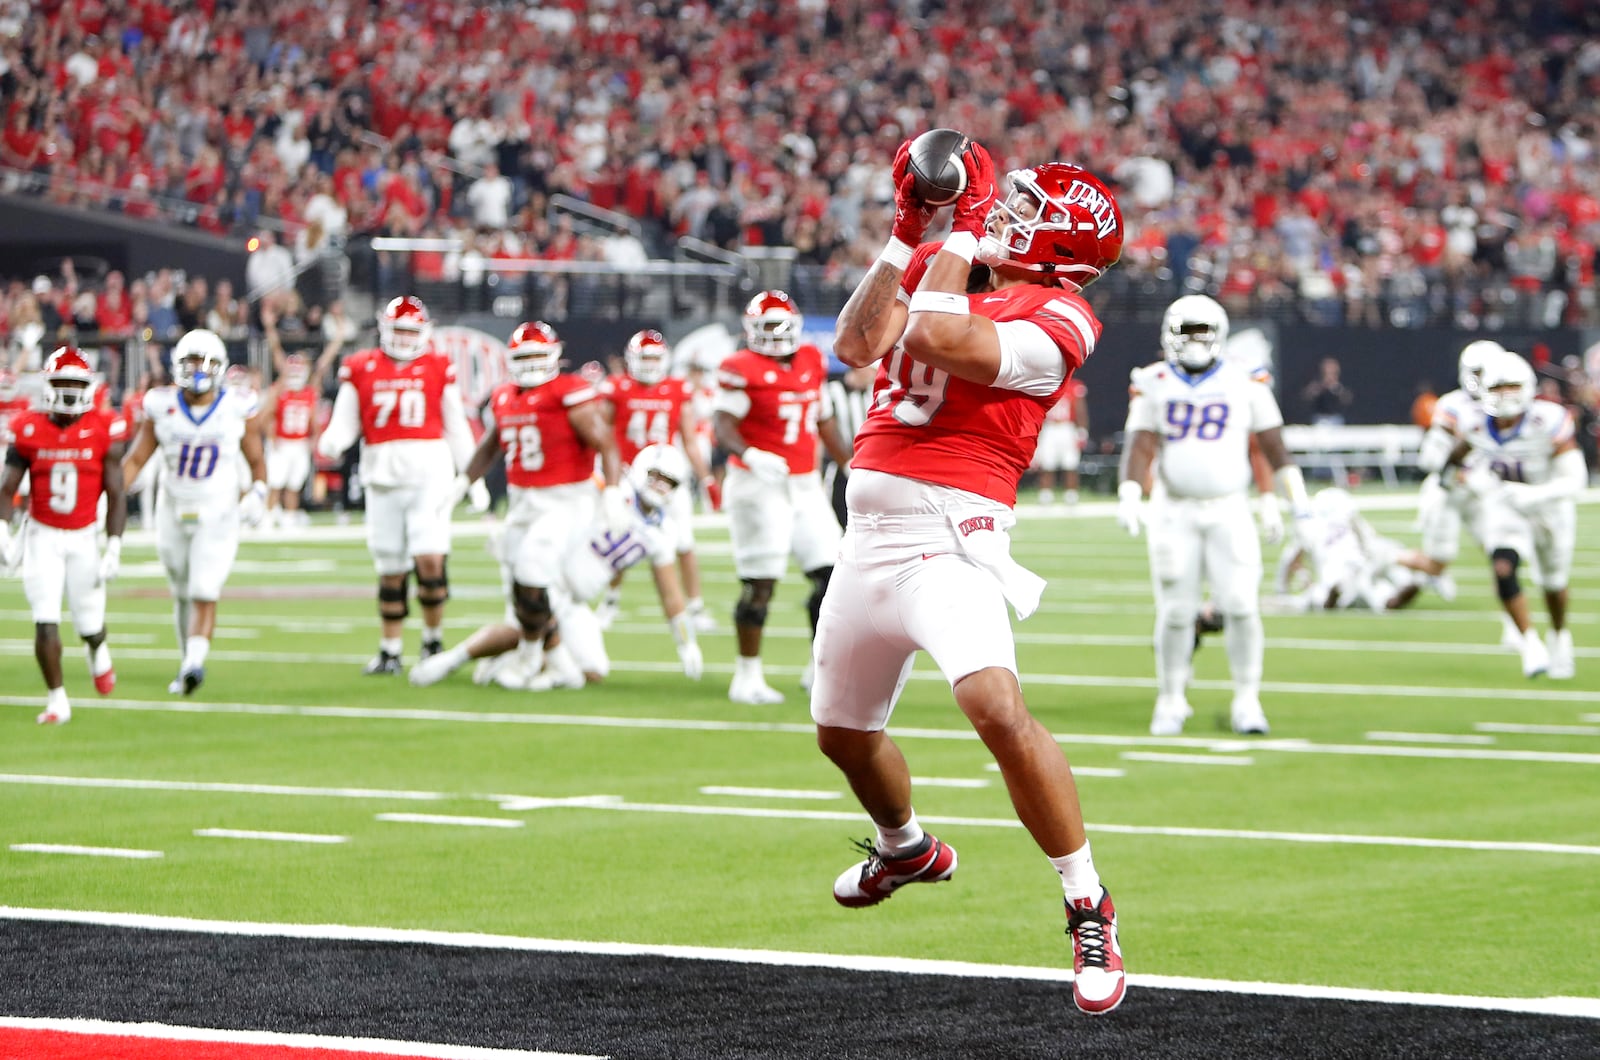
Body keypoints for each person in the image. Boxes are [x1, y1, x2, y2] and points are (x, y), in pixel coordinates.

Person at [818, 139, 1125, 1015]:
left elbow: (938, 332)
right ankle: (905, 847)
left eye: (1030, 215)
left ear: (1060, 250)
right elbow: (855, 343)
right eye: (1010, 205)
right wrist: (905, 231)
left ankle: (1085, 900)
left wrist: (963, 236)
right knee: (842, 738)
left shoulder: (1063, 318)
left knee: (991, 703)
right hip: (867, 538)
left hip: (952, 537)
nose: (1009, 217)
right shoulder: (945, 258)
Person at [1116, 294, 1311, 737]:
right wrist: (1129, 493)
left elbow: (1273, 444)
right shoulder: (1155, 380)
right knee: (1176, 611)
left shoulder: (1246, 380)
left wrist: (1289, 498)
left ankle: (1247, 697)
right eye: (1187, 332)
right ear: (1169, 334)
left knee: (1242, 606)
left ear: (1220, 335)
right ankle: (1170, 697)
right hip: (1173, 508)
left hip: (1229, 506)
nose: (1194, 342)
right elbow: (1141, 442)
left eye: (1202, 332)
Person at [411, 444, 704, 689]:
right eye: (655, 476)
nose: (660, 486)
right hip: (550, 575)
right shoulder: (609, 489)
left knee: (593, 671)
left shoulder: (663, 532)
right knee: (527, 629)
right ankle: (452, 660)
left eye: (669, 481)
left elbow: (670, 595)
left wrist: (686, 643)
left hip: (575, 600)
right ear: (640, 470)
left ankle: (513, 662)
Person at [443, 321, 627, 689]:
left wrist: (612, 491)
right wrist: (463, 480)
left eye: (536, 355)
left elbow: (605, 443)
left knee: (532, 570)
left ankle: (530, 657)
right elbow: (492, 444)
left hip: (566, 500)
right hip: (522, 501)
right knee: (517, 584)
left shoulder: (568, 392)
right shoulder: (505, 396)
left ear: (554, 356)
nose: (529, 364)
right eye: (523, 356)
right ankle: (544, 658)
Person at [315, 295, 478, 674]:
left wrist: (471, 474)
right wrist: (333, 440)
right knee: (390, 565)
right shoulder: (361, 366)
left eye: (410, 331)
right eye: (398, 330)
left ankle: (432, 641)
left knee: (430, 560)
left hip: (429, 474)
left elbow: (456, 424)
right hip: (382, 474)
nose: (404, 339)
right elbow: (346, 419)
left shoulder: (439, 366)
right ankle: (390, 649)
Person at [713, 289, 852, 705]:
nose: (774, 335)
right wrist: (749, 454)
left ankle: (819, 667)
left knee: (831, 577)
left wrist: (849, 463)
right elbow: (723, 423)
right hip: (758, 484)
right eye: (766, 327)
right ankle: (747, 673)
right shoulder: (740, 367)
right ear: (750, 331)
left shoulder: (811, 360)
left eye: (780, 326)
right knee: (761, 583)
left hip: (804, 483)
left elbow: (823, 417)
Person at [121, 329, 268, 694]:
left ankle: (194, 663)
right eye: (191, 362)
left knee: (204, 587)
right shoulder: (161, 404)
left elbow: (256, 457)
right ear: (177, 365)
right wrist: (108, 496)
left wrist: (259, 492)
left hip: (217, 508)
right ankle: (187, 660)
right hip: (171, 507)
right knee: (181, 591)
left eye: (205, 363)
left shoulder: (237, 405)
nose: (198, 370)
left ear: (219, 367)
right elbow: (137, 457)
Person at [0, 347, 127, 724]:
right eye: (63, 383)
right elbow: (7, 488)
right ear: (48, 385)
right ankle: (57, 699)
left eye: (76, 384)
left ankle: (97, 648)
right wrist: (2, 532)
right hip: (42, 536)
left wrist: (114, 546)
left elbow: (117, 493)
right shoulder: (28, 427)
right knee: (45, 618)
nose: (70, 391)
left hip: (85, 536)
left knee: (89, 624)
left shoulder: (104, 428)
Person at [1451, 351, 1586, 679]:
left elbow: (1575, 479)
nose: (1505, 395)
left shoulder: (1548, 419)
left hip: (1549, 507)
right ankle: (1530, 643)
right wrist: (1472, 481)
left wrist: (1535, 494)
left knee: (1553, 582)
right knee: (1502, 566)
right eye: (1497, 388)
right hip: (1506, 506)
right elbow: (1455, 462)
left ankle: (1558, 636)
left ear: (1527, 387)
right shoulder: (1473, 422)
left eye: (1511, 386)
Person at [595, 329, 717, 633]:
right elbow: (600, 434)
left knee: (684, 542)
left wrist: (707, 479)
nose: (649, 364)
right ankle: (610, 600)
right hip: (627, 478)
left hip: (667, 480)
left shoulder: (677, 389)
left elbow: (689, 440)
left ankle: (696, 607)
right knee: (621, 541)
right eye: (644, 358)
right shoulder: (617, 387)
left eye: (654, 358)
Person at [1394, 340, 1510, 639]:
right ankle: (1380, 559)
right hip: (1448, 491)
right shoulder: (1453, 405)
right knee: (1436, 562)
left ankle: (1515, 628)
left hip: (1480, 495)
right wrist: (1457, 454)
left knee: (1503, 555)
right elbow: (1430, 460)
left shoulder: (1507, 405)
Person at [1032, 377, 1088, 505]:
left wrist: (1082, 431)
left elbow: (1080, 410)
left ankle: (1071, 495)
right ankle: (1046, 495)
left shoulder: (1075, 386)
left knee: (1071, 463)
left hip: (1067, 428)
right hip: (1049, 428)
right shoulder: (1046, 385)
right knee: (1047, 463)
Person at [1300, 356, 1353, 427]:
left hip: (1336, 418)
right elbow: (1306, 396)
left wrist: (1337, 390)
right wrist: (1319, 388)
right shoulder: (1316, 385)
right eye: (1327, 372)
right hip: (1320, 418)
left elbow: (1347, 399)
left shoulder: (1339, 387)